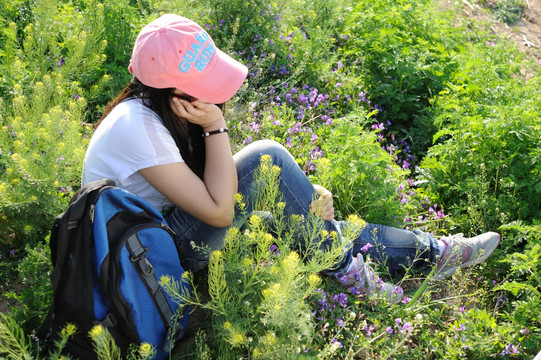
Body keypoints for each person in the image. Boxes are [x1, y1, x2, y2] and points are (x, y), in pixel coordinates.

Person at [82, 14, 500, 304]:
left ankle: (431, 253)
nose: (218, 96)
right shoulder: (138, 130)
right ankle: (357, 274)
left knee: (294, 208)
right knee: (269, 158)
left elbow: (216, 178)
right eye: (202, 86)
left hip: (165, 231)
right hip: (149, 262)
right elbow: (219, 209)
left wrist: (300, 189)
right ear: (174, 93)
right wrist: (214, 127)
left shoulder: (159, 110)